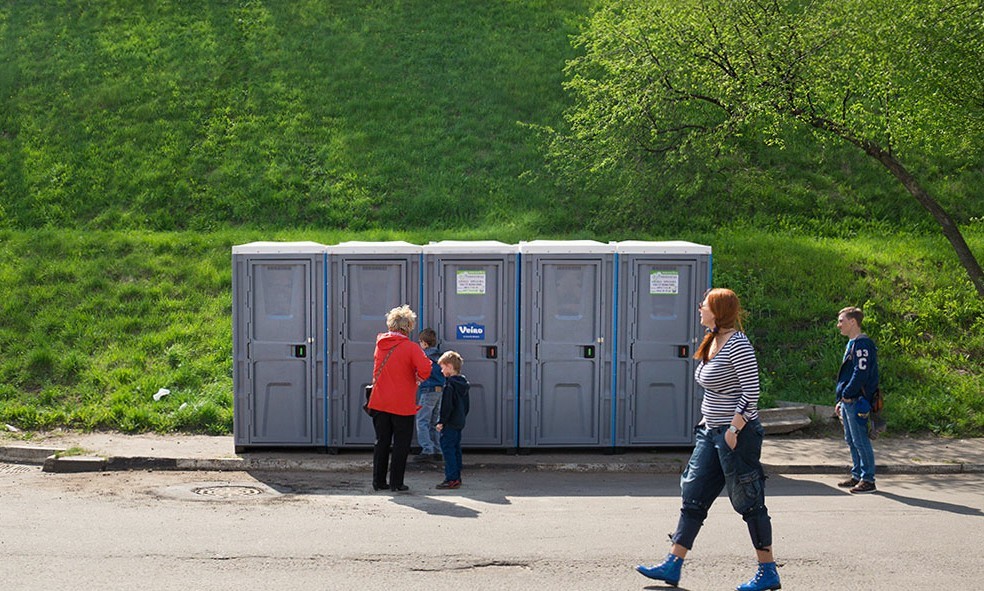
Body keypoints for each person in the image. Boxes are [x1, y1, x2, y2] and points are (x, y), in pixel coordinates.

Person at [636, 288, 780, 591]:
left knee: (749, 501)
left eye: (705, 305)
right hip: (709, 432)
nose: (699, 309)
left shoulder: (738, 344)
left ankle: (768, 571)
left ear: (719, 311)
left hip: (736, 436)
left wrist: (733, 430)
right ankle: (673, 564)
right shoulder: (713, 340)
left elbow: (751, 392)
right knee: (694, 494)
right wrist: (709, 423)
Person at [367, 305, 433, 492]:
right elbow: (426, 369)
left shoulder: (380, 345)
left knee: (381, 442)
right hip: (402, 403)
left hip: (379, 401)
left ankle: (378, 482)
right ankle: (396, 483)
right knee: (401, 445)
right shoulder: (411, 348)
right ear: (408, 326)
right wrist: (417, 377)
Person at [835, 306, 879, 494]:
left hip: (856, 399)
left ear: (853, 322)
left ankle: (868, 479)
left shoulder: (862, 344)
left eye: (841, 321)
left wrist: (847, 393)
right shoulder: (852, 343)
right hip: (848, 400)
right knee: (851, 439)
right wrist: (840, 400)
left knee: (860, 439)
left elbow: (860, 372)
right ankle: (857, 474)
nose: (839, 325)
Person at [435, 350, 469, 490]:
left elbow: (446, 406)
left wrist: (441, 421)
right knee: (455, 449)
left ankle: (451, 478)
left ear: (449, 366)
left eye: (442, 367)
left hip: (449, 423)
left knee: (447, 449)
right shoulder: (463, 384)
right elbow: (466, 406)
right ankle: (457, 476)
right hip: (458, 422)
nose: (442, 371)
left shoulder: (449, 386)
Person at [413, 328, 445, 461]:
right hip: (439, 391)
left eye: (420, 342)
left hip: (428, 391)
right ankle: (437, 449)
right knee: (434, 421)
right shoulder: (440, 356)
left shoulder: (424, 357)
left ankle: (427, 450)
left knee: (422, 421)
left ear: (424, 343)